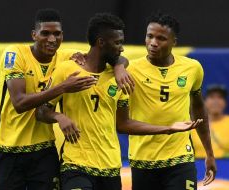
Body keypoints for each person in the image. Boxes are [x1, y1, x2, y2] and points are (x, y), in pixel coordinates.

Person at [35, 13, 202, 190]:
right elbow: (41, 112)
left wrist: (168, 128)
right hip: (75, 164)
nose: (121, 49)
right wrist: (59, 117)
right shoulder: (67, 69)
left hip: (111, 169)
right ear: (101, 42)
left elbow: (123, 124)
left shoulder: (119, 78)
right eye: (117, 43)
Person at [0, 8, 97, 190]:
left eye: (57, 34)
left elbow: (110, 55)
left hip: (44, 152)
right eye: (45, 33)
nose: (52, 39)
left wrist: (119, 67)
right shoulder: (14, 54)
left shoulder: (67, 57)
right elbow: (19, 103)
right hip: (9, 150)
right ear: (34, 34)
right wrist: (63, 87)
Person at [117, 12, 217, 190]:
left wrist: (209, 153)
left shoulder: (192, 68)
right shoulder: (130, 69)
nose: (153, 43)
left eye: (161, 38)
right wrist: (118, 65)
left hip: (181, 158)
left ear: (174, 42)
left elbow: (198, 108)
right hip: (143, 160)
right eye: (150, 36)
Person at [192, 84, 229, 158]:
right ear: (204, 102)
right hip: (200, 167)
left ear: (225, 103)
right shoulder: (195, 124)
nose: (216, 101)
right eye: (212, 97)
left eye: (220, 97)